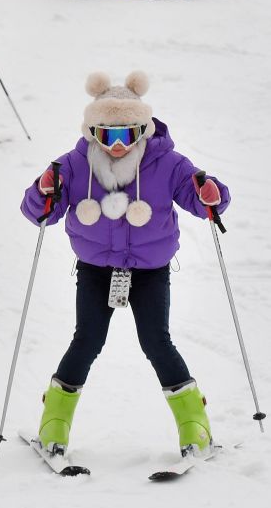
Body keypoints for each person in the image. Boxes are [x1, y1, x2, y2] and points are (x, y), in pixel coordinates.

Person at [20, 72, 227, 459]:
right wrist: (43, 191)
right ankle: (54, 422)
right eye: (106, 135)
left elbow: (199, 197)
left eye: (128, 135)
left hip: (150, 269)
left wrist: (210, 194)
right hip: (96, 269)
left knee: (156, 342)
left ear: (143, 130)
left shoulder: (166, 162)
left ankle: (194, 424)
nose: (117, 145)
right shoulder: (74, 164)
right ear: (92, 131)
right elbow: (38, 213)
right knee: (87, 341)